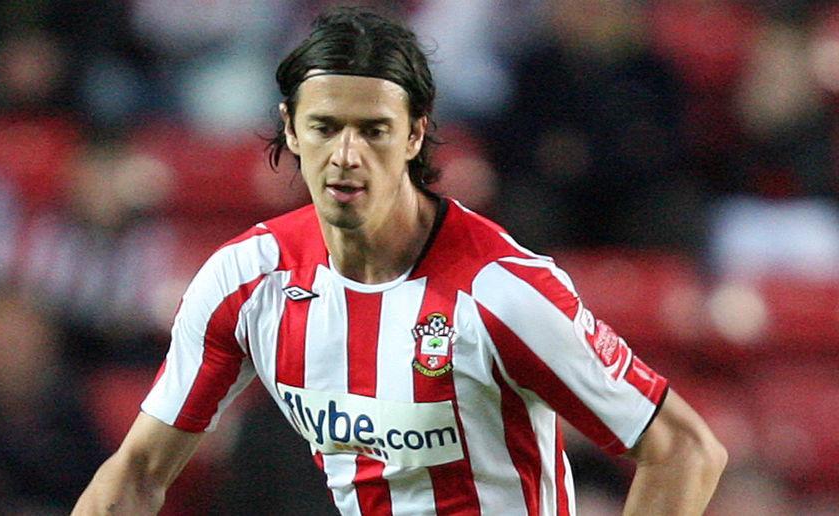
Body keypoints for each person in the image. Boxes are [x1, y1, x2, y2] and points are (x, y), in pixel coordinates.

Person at [73, 7, 726, 515]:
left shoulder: (500, 291)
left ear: (415, 133)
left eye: (375, 130)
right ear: (291, 129)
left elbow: (686, 452)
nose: (347, 155)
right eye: (326, 127)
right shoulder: (244, 282)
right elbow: (134, 477)